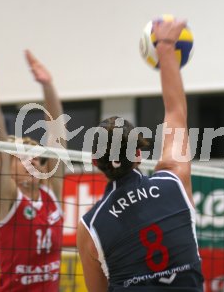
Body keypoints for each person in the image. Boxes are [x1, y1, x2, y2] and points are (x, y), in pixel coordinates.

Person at [77, 19, 204, 291]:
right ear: (138, 153)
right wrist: (166, 48)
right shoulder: (174, 181)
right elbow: (175, 113)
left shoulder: (90, 227)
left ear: (95, 162)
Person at [0, 51, 66, 292]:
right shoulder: (8, 199)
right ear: (9, 168)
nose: (34, 162)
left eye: (37, 158)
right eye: (23, 158)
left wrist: (48, 86)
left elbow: (58, 135)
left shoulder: (52, 194)